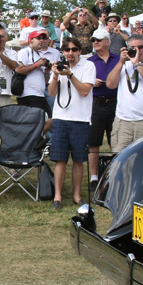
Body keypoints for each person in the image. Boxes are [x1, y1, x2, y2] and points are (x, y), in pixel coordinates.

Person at [48, 37, 95, 209]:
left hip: (81, 119)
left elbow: (84, 91)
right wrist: (55, 75)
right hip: (61, 118)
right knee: (59, 159)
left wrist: (70, 75)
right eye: (67, 50)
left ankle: (77, 195)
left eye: (74, 50)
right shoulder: (58, 68)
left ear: (79, 51)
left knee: (78, 160)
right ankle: (57, 196)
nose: (70, 53)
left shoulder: (88, 66)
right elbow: (51, 93)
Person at [106, 34, 143, 151]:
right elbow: (110, 84)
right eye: (133, 48)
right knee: (119, 158)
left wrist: (137, 64)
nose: (138, 50)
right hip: (123, 121)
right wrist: (121, 62)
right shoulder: (123, 64)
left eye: (141, 47)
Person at [87, 28, 120, 192]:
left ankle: (114, 175)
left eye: (99, 39)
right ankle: (94, 177)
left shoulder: (119, 59)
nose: (96, 43)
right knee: (94, 142)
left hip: (116, 103)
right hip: (96, 103)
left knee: (116, 140)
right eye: (93, 40)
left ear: (107, 41)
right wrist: (91, 82)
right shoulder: (89, 62)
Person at [13, 29, 58, 117]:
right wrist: (37, 65)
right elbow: (19, 70)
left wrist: (46, 73)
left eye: (44, 38)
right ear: (31, 40)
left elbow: (44, 81)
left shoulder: (39, 55)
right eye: (39, 38)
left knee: (48, 119)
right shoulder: (24, 52)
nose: (42, 40)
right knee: (35, 121)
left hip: (39, 93)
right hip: (28, 93)